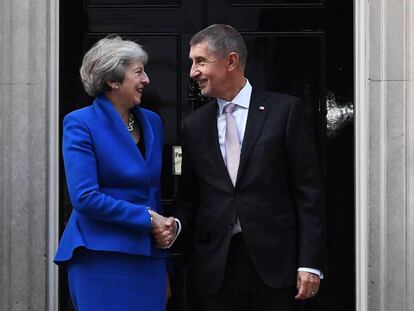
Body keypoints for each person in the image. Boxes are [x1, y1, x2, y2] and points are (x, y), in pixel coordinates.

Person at [155, 24, 325, 310]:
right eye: (191, 63)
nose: (192, 72)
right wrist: (176, 225)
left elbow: (308, 193)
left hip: (278, 269)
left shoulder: (285, 112)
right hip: (216, 271)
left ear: (231, 61)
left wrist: (310, 262)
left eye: (200, 61)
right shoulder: (194, 125)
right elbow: (189, 196)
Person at [54, 35, 176, 311]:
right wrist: (146, 218)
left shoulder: (153, 122)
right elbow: (84, 197)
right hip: (100, 256)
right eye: (138, 72)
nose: (146, 79)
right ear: (113, 80)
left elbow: (152, 193)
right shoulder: (80, 123)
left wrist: (164, 250)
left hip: (147, 258)